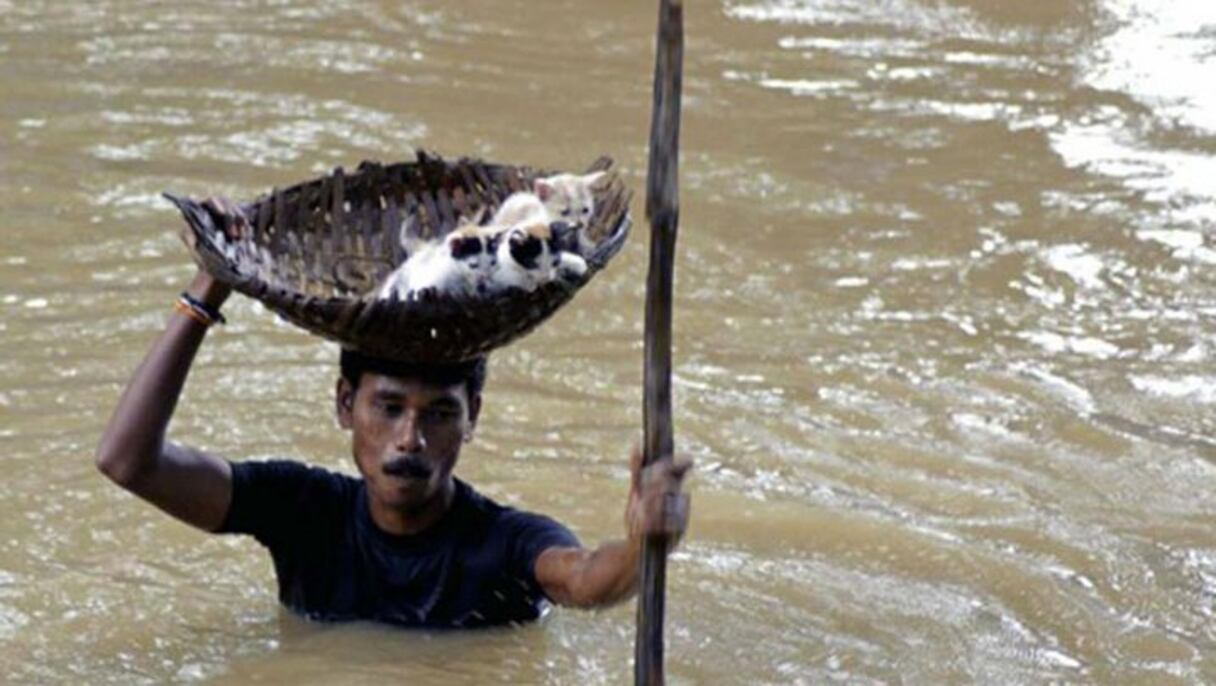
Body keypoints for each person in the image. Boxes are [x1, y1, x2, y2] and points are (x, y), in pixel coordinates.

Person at [94, 198, 692, 629]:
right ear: (345, 404)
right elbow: (126, 461)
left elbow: (587, 580)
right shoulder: (302, 512)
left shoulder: (506, 542)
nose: (411, 439)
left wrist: (645, 547)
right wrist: (205, 291)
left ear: (473, 417)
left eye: (438, 414)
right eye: (389, 407)